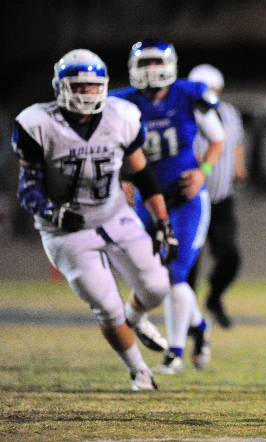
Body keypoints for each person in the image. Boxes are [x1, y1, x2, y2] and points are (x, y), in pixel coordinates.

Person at [12, 49, 179, 391]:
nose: (87, 94)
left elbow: (142, 175)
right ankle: (139, 372)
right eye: (79, 87)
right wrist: (52, 211)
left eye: (93, 86)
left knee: (158, 286)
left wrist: (163, 223)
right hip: (65, 228)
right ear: (61, 88)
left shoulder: (122, 116)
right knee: (105, 302)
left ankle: (136, 319)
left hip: (114, 213)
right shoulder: (37, 124)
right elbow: (28, 190)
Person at [110, 38, 226, 375]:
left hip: (185, 199)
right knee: (148, 276)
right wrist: (123, 176)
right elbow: (111, 145)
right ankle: (200, 329)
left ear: (170, 65)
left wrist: (203, 172)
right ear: (133, 68)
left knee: (176, 274)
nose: (151, 70)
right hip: (146, 201)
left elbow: (217, 138)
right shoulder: (121, 103)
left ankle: (174, 353)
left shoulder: (189, 94)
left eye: (155, 62)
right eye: (144, 63)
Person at [186, 64, 247, 329]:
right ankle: (187, 318)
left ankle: (214, 297)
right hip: (189, 201)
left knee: (230, 257)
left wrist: (239, 166)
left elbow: (237, 142)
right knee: (189, 265)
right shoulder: (185, 114)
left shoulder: (229, 113)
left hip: (221, 200)